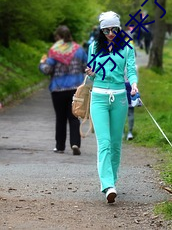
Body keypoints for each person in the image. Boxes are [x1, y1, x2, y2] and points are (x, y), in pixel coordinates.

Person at [85, 11, 138, 203]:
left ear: (119, 28)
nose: (110, 33)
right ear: (101, 30)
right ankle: (107, 184)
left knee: (116, 144)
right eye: (106, 30)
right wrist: (90, 72)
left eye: (113, 29)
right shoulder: (93, 47)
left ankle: (112, 181)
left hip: (120, 98)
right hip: (98, 97)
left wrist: (133, 84)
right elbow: (90, 75)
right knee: (104, 143)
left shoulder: (126, 48)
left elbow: (131, 70)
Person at [39, 25, 87, 155]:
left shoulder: (54, 51)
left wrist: (42, 63)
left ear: (58, 37)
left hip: (58, 89)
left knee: (60, 118)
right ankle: (75, 143)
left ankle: (60, 147)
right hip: (75, 89)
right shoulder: (79, 50)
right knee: (74, 116)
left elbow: (47, 70)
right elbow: (86, 67)